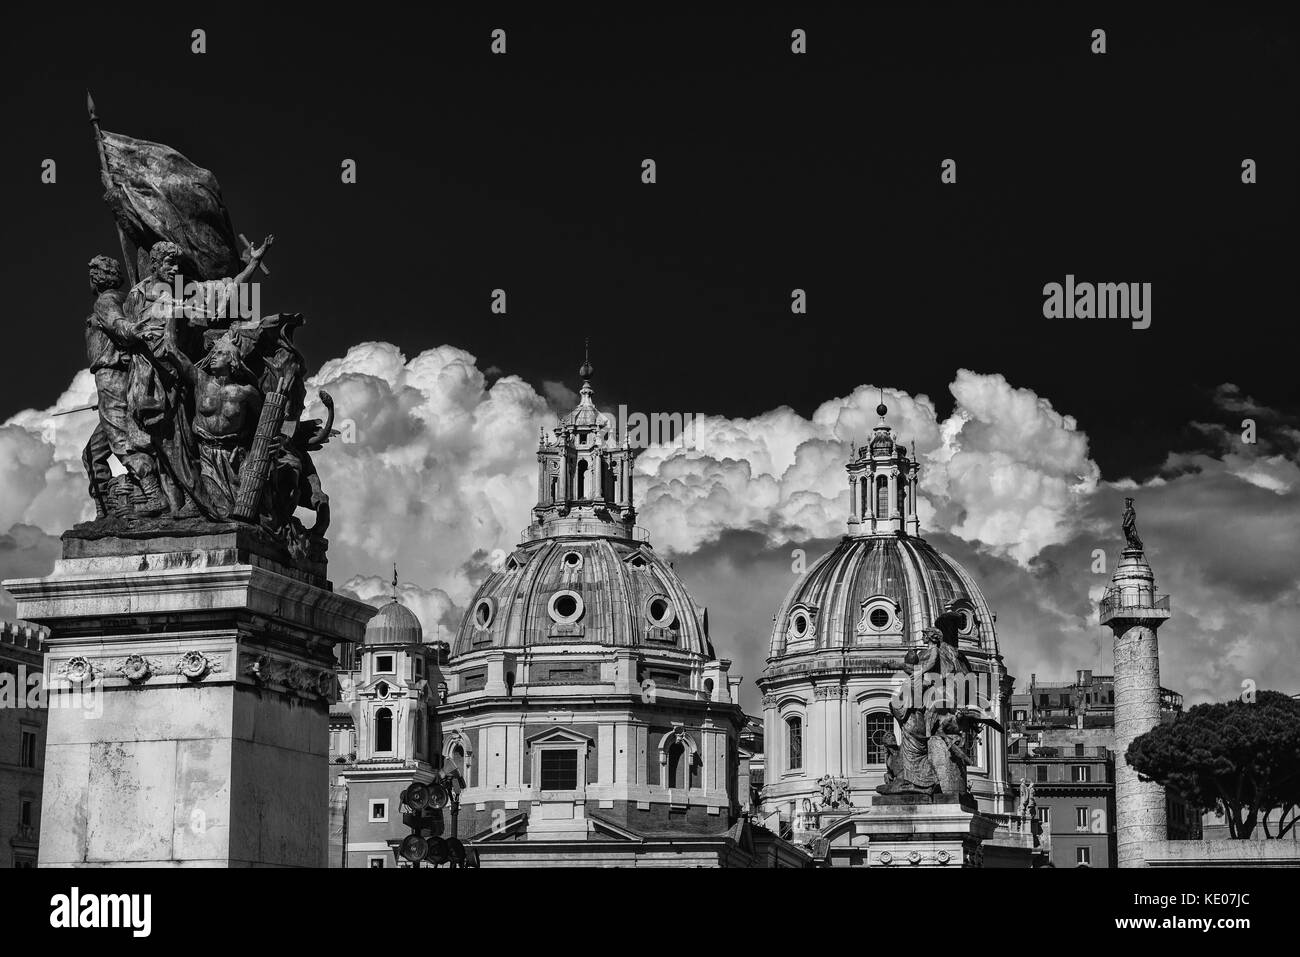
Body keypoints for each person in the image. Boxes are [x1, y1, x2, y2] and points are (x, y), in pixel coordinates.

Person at [82, 254, 168, 517]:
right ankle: (105, 510)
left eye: (92, 274)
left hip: (112, 376)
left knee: (122, 441)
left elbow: (120, 326)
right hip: (114, 380)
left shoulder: (106, 301)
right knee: (92, 453)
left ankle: (153, 493)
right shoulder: (125, 298)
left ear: (97, 278)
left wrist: (135, 331)